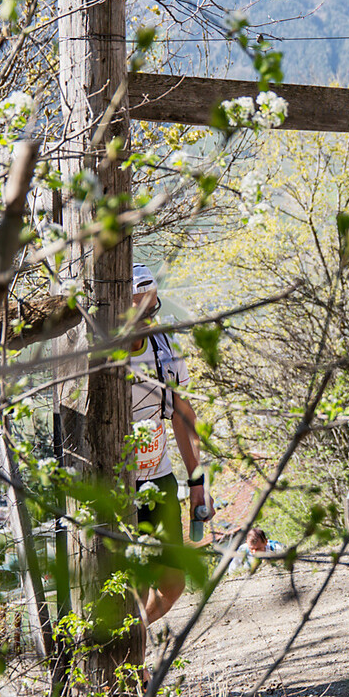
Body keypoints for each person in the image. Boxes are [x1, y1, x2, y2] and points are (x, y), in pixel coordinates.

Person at [118, 264, 208, 628]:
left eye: (151, 309)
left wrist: (197, 482)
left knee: (172, 583)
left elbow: (183, 416)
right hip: (119, 485)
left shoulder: (165, 348)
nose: (146, 319)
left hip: (159, 479)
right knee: (134, 584)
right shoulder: (100, 356)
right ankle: (129, 656)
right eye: (137, 310)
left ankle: (132, 638)